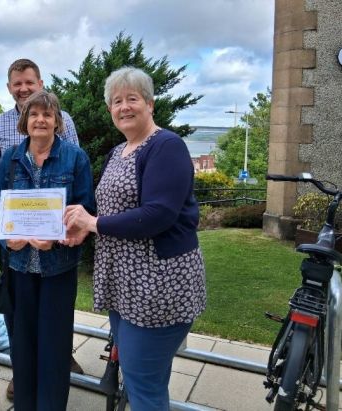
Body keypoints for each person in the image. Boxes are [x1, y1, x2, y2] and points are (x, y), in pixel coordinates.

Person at [63, 67, 207, 411]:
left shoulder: (166, 146)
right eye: (116, 101)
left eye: (132, 99)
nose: (124, 107)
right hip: (125, 286)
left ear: (150, 104)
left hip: (157, 287)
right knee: (146, 376)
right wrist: (83, 227)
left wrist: (93, 222)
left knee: (143, 385)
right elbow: (110, 211)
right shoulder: (119, 152)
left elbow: (157, 215)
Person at [0, 58, 82, 400]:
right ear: (24, 122)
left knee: (54, 349)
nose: (40, 120)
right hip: (18, 266)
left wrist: (58, 239)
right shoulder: (9, 157)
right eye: (34, 115)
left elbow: (83, 210)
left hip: (57, 267)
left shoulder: (74, 159)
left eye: (47, 115)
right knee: (21, 346)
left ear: (57, 121)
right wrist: (8, 239)